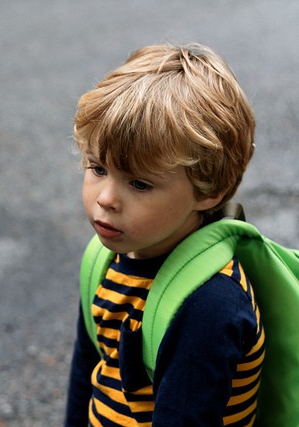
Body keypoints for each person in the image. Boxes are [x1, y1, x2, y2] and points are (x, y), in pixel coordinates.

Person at [64, 43, 264, 426]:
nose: (106, 199)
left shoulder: (209, 304)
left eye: (138, 184)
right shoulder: (102, 260)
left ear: (209, 191)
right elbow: (86, 372)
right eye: (97, 168)